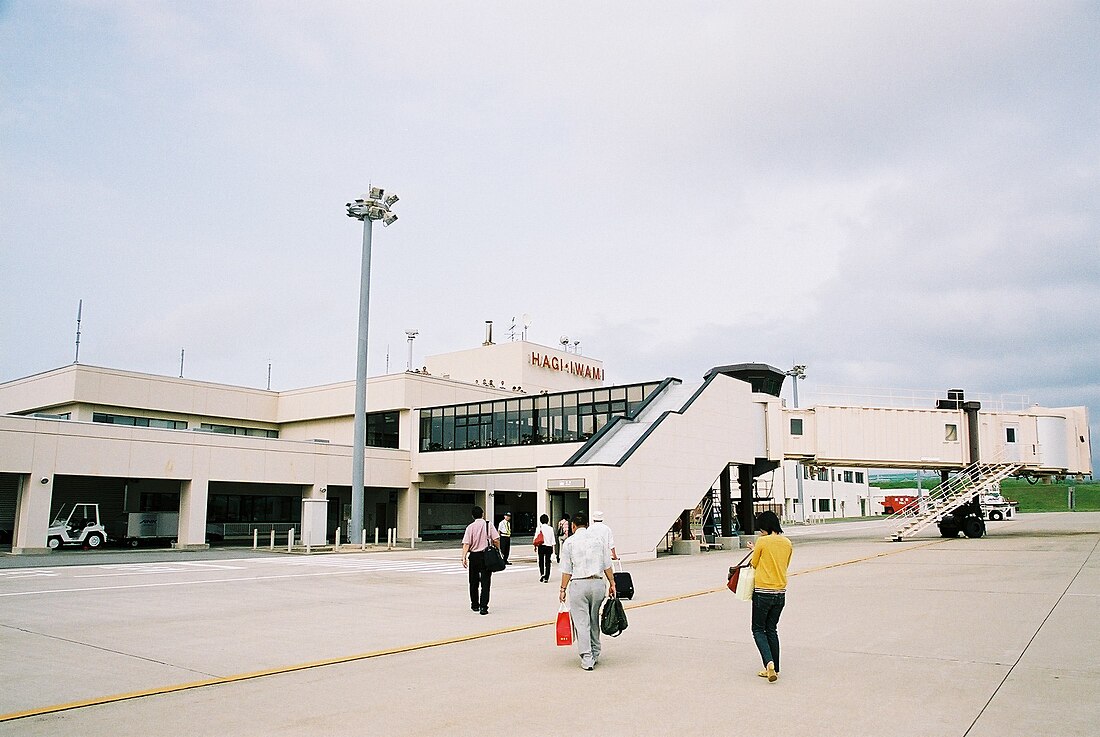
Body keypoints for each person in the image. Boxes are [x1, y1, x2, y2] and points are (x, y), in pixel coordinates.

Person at [559, 511, 616, 670]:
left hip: (579, 584)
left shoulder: (569, 543)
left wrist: (562, 589)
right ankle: (596, 651)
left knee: (581, 623)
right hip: (597, 584)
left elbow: (567, 570)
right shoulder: (598, 540)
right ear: (588, 525)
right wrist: (612, 583)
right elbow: (607, 565)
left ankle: (587, 658)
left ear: (573, 526)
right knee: (593, 620)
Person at [746, 510, 793, 682]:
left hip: (763, 592)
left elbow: (754, 563)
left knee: (758, 629)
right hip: (780, 593)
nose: (760, 532)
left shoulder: (762, 542)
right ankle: (776, 669)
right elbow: (784, 564)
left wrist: (754, 549)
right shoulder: (787, 543)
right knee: (772, 629)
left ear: (765, 527)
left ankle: (769, 663)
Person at [461, 506, 501, 615]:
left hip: (474, 557)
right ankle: (484, 607)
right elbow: (496, 539)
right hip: (486, 556)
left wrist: (463, 557)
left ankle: (474, 605)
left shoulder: (470, 527)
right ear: (482, 514)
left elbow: (466, 543)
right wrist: (498, 550)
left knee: (473, 582)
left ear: (473, 516)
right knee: (485, 582)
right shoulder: (489, 525)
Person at [533, 513, 556, 582]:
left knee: (541, 561)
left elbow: (536, 538)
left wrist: (535, 546)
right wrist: (553, 549)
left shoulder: (539, 528)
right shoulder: (551, 528)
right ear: (548, 521)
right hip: (549, 547)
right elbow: (553, 540)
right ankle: (547, 577)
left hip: (541, 546)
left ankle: (542, 574)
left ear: (540, 521)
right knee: (548, 562)